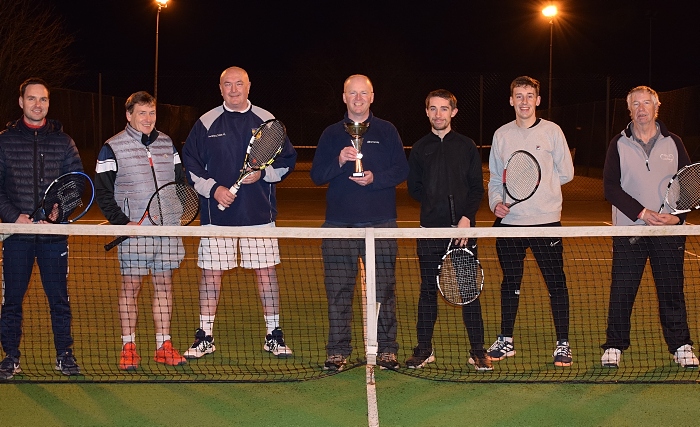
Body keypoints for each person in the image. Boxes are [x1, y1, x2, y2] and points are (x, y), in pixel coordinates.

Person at [181, 66, 297, 358]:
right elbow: (190, 163)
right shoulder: (206, 122)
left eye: (239, 84)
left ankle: (273, 334)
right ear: (220, 89)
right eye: (227, 84)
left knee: (266, 274)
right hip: (216, 218)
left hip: (259, 216)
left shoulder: (266, 120)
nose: (233, 89)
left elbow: (287, 161)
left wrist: (264, 174)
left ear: (249, 86)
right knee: (211, 275)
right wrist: (213, 189)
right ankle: (205, 336)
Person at [310, 74, 409, 371]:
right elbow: (317, 176)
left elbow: (402, 170)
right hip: (339, 224)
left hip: (381, 222)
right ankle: (337, 350)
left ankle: (387, 349)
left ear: (372, 96)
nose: (357, 98)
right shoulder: (330, 134)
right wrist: (339, 162)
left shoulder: (388, 131)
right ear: (344, 97)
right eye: (351, 93)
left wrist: (375, 179)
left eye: (362, 93)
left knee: (384, 290)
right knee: (339, 290)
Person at [601, 85, 699, 369]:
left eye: (647, 103)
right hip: (630, 230)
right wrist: (641, 212)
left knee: (671, 290)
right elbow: (610, 187)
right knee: (622, 291)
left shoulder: (674, 143)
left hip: (668, 233)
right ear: (629, 109)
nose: (641, 108)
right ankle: (614, 346)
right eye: (635, 103)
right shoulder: (617, 144)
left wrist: (677, 218)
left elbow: (690, 186)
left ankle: (681, 345)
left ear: (657, 108)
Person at [95, 91, 187, 370]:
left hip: (167, 230)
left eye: (152, 113)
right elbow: (103, 192)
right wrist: (123, 223)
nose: (148, 119)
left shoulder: (167, 143)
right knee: (131, 288)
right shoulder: (112, 147)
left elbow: (180, 182)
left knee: (164, 285)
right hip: (135, 232)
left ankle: (163, 345)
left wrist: (176, 213)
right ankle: (129, 346)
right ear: (129, 115)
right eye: (142, 113)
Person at [487, 76, 575, 367]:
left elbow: (566, 173)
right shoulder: (501, 135)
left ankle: (563, 343)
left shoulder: (552, 131)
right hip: (510, 224)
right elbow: (495, 179)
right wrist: (496, 203)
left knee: (556, 283)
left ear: (538, 100)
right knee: (510, 282)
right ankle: (505, 340)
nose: (524, 101)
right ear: (511, 100)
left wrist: (543, 192)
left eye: (529, 96)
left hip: (546, 223)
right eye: (518, 96)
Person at [0, 78, 82, 379]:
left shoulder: (64, 142)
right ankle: (10, 357)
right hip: (17, 236)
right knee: (12, 300)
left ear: (49, 103)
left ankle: (65, 355)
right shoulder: (4, 141)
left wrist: (60, 210)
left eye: (43, 99)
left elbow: (75, 183)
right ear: (21, 102)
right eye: (32, 99)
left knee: (59, 298)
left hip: (53, 237)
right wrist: (14, 216)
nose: (38, 104)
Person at [406, 89, 491, 371]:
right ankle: (424, 349)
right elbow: (414, 189)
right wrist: (435, 205)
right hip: (430, 231)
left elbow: (477, 188)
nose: (438, 114)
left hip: (463, 231)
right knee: (428, 290)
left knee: (469, 290)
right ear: (427, 111)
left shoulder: (466, 146)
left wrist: (465, 218)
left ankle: (478, 351)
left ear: (453, 112)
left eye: (444, 109)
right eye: (433, 108)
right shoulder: (420, 148)